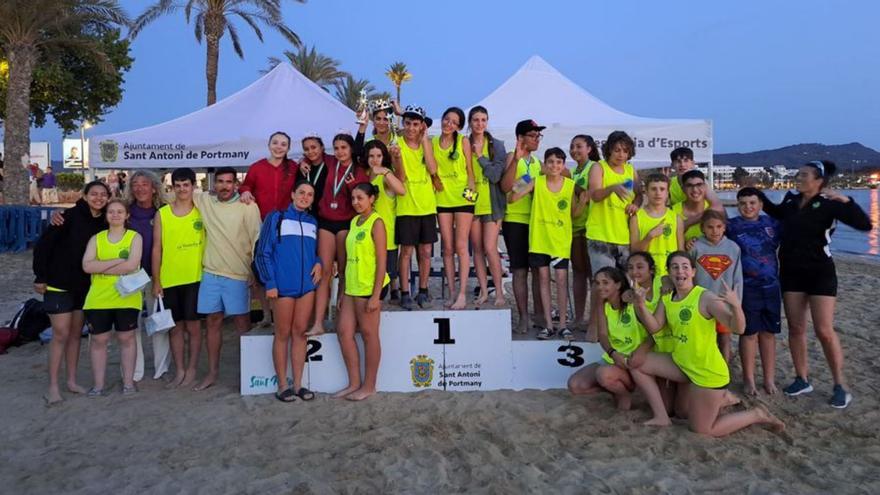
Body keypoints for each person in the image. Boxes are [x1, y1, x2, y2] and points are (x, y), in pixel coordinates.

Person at [630, 252, 785, 434]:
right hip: (681, 363)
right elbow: (655, 327)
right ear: (669, 272)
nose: (680, 271)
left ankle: (756, 414)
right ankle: (662, 416)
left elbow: (739, 328)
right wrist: (640, 305)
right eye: (675, 267)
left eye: (685, 267)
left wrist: (735, 306)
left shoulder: (705, 298)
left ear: (693, 272)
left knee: (702, 429)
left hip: (707, 373)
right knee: (637, 364)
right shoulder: (667, 299)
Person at [758, 160, 872, 408]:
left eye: (804, 175)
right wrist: (756, 196)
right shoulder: (790, 202)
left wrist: (847, 201)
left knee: (823, 330)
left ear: (818, 180)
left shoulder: (830, 204)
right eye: (798, 174)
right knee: (796, 328)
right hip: (791, 272)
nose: (798, 177)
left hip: (820, 272)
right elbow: (775, 212)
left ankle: (840, 385)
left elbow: (865, 225)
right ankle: (802, 378)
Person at [33, 181, 110, 404]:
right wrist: (40, 276)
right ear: (85, 196)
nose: (98, 198)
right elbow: (43, 246)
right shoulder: (67, 216)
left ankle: (72, 381)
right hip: (58, 284)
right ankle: (53, 386)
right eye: (93, 194)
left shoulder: (105, 221)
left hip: (85, 286)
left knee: (76, 334)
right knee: (60, 334)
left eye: (102, 195)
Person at [193, 167, 263, 390]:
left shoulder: (248, 206)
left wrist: (255, 273)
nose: (224, 186)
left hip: (238, 274)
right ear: (214, 185)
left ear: (236, 184)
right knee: (212, 322)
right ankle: (212, 373)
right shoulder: (205, 200)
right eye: (220, 182)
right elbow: (179, 193)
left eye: (228, 182)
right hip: (210, 273)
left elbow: (256, 239)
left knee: (243, 324)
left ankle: (249, 371)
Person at [255, 181, 322, 402]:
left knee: (300, 333)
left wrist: (319, 262)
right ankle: (283, 385)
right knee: (282, 334)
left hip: (307, 287)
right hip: (282, 287)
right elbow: (262, 253)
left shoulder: (313, 222)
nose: (305, 197)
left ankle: (299, 384)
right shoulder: (276, 218)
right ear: (293, 194)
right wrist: (270, 282)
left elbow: (315, 252)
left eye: (309, 194)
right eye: (301, 192)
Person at [307, 133, 369, 336]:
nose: (340, 151)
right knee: (324, 273)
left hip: (345, 222)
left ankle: (343, 319)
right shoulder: (331, 161)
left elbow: (360, 197)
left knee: (344, 272)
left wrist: (351, 185)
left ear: (351, 149)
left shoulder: (359, 171)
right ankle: (318, 322)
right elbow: (313, 155)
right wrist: (302, 162)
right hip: (325, 221)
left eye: (344, 147)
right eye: (337, 147)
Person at [517, 147, 583, 339]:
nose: (555, 165)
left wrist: (583, 201)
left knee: (562, 281)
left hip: (560, 241)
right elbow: (513, 196)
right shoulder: (537, 182)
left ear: (563, 165)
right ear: (545, 164)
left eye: (559, 162)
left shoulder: (570, 185)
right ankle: (548, 324)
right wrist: (526, 179)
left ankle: (563, 324)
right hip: (539, 239)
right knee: (543, 280)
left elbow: (573, 213)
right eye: (551, 162)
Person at [81, 199, 143, 396]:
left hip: (127, 297)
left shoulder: (134, 237)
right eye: (111, 212)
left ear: (127, 215)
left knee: (126, 338)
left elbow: (131, 265)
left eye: (119, 211)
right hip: (98, 298)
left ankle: (128, 384)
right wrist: (117, 261)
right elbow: (87, 266)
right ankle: (98, 385)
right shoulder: (96, 239)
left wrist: (102, 267)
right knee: (99, 340)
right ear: (106, 215)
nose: (115, 215)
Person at [567, 267, 652, 410]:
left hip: (635, 359)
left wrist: (640, 352)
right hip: (614, 357)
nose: (600, 287)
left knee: (604, 374)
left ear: (618, 285)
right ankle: (621, 391)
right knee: (575, 385)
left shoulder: (634, 303)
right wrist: (613, 353)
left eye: (605, 283)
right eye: (597, 283)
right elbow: (603, 336)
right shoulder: (603, 304)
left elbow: (654, 334)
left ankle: (626, 392)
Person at [585, 131, 643, 341]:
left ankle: (622, 328)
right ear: (608, 150)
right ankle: (594, 328)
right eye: (617, 150)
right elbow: (594, 194)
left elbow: (639, 194)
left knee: (626, 286)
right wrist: (612, 188)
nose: (620, 154)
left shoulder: (631, 170)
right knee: (602, 286)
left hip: (624, 238)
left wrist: (635, 205)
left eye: (625, 150)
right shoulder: (598, 167)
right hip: (600, 236)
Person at [334, 183, 389, 401]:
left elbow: (382, 262)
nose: (356, 202)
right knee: (344, 333)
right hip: (351, 287)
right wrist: (341, 290)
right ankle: (354, 383)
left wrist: (376, 295)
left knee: (368, 335)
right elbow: (346, 260)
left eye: (360, 198)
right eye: (354, 198)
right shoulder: (354, 222)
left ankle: (369, 385)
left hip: (368, 288)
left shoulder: (377, 223)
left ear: (372, 199)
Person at [152, 167, 205, 389]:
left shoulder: (202, 211)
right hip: (169, 279)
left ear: (194, 186)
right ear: (172, 187)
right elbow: (157, 249)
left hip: (195, 278)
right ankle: (180, 369)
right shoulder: (162, 213)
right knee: (175, 328)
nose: (182, 189)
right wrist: (157, 280)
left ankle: (192, 369)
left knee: (193, 327)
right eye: (178, 185)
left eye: (186, 185)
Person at [240, 132, 300, 326]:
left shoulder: (293, 167)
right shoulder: (257, 167)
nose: (279, 147)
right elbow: (246, 185)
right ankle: (266, 315)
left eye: (283, 144)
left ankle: (280, 315)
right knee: (260, 270)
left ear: (288, 148)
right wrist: (246, 190)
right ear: (269, 144)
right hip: (261, 225)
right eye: (275, 143)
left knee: (281, 270)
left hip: (285, 226)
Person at [726, 187, 782, 395]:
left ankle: (769, 379)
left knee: (768, 334)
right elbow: (711, 234)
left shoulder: (773, 224)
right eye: (743, 203)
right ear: (738, 205)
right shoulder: (731, 226)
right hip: (746, 288)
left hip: (771, 286)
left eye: (752, 203)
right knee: (749, 334)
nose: (748, 207)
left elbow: (801, 231)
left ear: (760, 204)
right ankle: (749, 379)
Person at [391, 105, 439, 310]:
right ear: (404, 124)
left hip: (427, 206)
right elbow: (400, 177)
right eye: (408, 123)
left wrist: (425, 140)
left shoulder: (426, 144)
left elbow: (433, 169)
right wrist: (397, 157)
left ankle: (423, 290)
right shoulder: (396, 144)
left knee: (426, 251)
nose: (411, 128)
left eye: (416, 124)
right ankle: (404, 292)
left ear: (422, 126)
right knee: (407, 252)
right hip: (406, 206)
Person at [501, 120, 545, 334]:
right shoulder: (512, 157)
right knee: (520, 271)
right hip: (516, 219)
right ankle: (523, 316)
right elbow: (506, 188)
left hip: (536, 221)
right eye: (532, 135)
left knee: (538, 270)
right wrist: (527, 185)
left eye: (538, 136)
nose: (536, 139)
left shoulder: (538, 162)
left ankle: (539, 315)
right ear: (520, 138)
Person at [433, 107, 476, 309]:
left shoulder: (463, 141)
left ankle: (462, 294)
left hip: (462, 200)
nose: (448, 124)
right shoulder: (433, 142)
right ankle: (451, 292)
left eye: (453, 122)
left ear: (459, 126)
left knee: (461, 246)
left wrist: (471, 199)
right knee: (447, 248)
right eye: (446, 119)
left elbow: (470, 171)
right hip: (442, 199)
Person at [689, 210, 742, 363]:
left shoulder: (733, 248)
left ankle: (724, 372)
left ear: (724, 227)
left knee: (725, 339)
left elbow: (737, 278)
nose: (715, 231)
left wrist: (737, 302)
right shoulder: (695, 247)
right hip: (701, 303)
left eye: (719, 226)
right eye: (710, 227)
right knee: (705, 340)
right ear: (702, 228)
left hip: (724, 304)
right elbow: (689, 276)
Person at [468, 106, 508, 307]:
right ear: (470, 122)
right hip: (471, 204)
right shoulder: (463, 143)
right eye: (476, 120)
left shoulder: (496, 145)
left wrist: (480, 157)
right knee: (476, 249)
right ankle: (483, 291)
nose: (480, 124)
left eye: (483, 120)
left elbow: (495, 175)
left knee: (490, 248)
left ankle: (499, 292)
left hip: (493, 204)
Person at [364, 140, 406, 300]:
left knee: (385, 278)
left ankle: (394, 291)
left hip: (387, 235)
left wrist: (386, 171)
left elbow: (402, 190)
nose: (375, 159)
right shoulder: (365, 176)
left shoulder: (386, 176)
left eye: (379, 156)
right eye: (371, 156)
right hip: (367, 236)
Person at [569, 135, 600, 329]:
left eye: (579, 146)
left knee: (593, 276)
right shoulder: (572, 172)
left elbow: (590, 195)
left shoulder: (594, 168)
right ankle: (578, 317)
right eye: (572, 147)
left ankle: (595, 320)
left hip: (591, 228)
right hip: (574, 227)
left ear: (589, 148)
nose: (574, 150)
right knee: (578, 273)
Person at [629, 173, 683, 276]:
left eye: (662, 189)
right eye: (653, 189)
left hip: (669, 274)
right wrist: (649, 236)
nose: (658, 193)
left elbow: (680, 251)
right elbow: (634, 251)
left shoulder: (676, 218)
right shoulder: (636, 218)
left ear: (667, 192)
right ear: (646, 191)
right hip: (646, 274)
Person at [674, 170, 725, 247]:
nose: (695, 190)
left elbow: (723, 240)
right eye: (689, 185)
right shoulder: (673, 212)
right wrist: (685, 244)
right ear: (683, 189)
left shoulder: (716, 210)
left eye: (699, 185)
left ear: (705, 187)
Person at [297, 134, 335, 216]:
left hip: (326, 214)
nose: (310, 151)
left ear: (322, 147)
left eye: (313, 147)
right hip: (306, 213)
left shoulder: (332, 165)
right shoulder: (303, 168)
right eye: (306, 149)